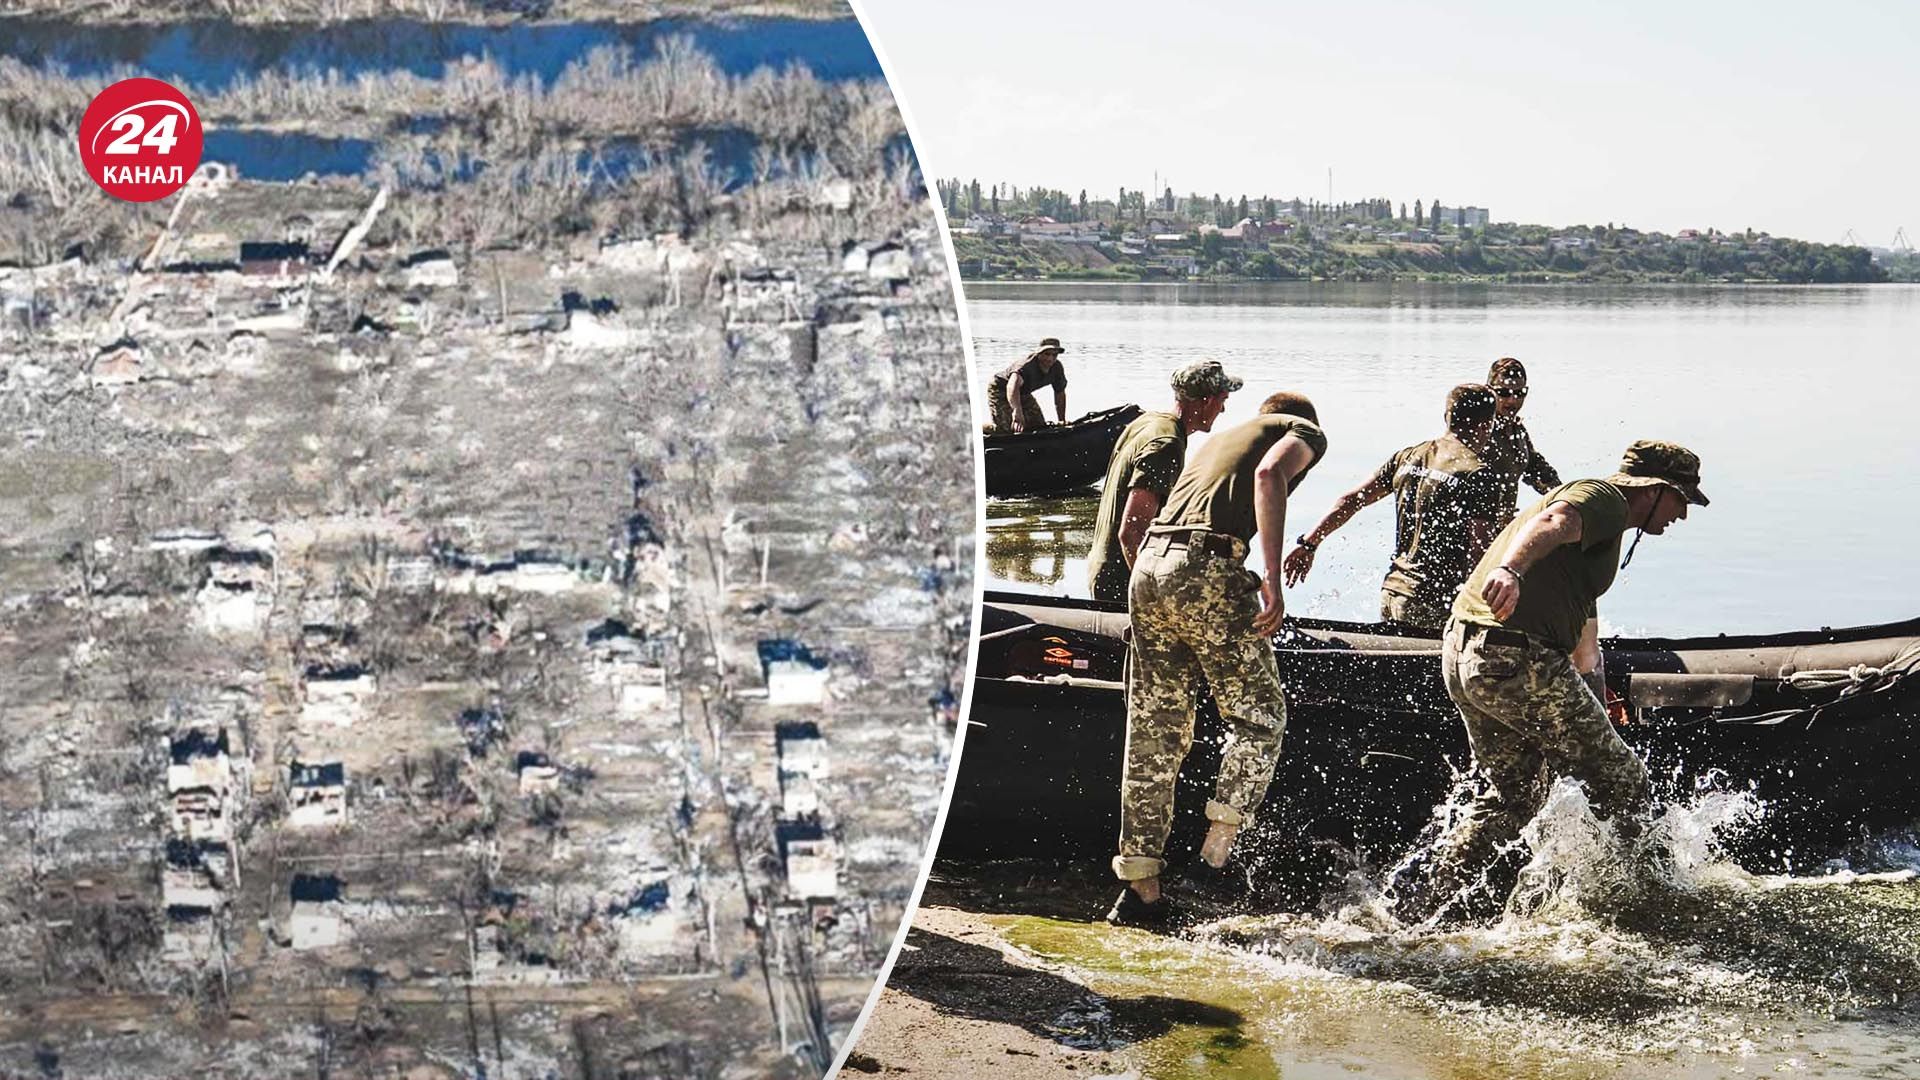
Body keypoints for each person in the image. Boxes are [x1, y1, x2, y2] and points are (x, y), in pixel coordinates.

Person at [1389, 440, 1710, 923]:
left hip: (1467, 656)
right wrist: (1509, 571)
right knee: (1625, 780)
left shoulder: (1593, 546)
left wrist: (1599, 711)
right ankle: (1654, 899)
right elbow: (1553, 521)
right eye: (1681, 500)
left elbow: (1585, 649)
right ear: (1653, 489)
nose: (1681, 515)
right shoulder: (1604, 499)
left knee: (1512, 798)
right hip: (1516, 659)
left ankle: (1423, 907)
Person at [1106, 392, 1328, 927]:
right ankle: (1213, 862)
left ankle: (1140, 887)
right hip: (1205, 566)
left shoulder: (1218, 441)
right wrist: (1271, 577)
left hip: (1149, 568)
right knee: (1261, 719)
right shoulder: (1302, 431)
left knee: (1155, 731)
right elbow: (1271, 474)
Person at [1282, 384, 1504, 629]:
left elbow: (1352, 500)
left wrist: (1310, 543)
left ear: (1447, 417)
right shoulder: (1478, 473)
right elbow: (1480, 551)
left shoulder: (1409, 457)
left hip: (1392, 592)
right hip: (1434, 602)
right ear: (1487, 424)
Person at [1086, 360, 1245, 604]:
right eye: (1223, 400)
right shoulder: (1166, 445)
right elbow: (1131, 533)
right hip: (1121, 579)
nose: (1223, 410)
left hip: (1104, 567)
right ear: (1207, 401)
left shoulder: (1149, 422)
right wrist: (1154, 596)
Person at [1481, 357, 1561, 526]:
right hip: (1479, 527)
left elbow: (1537, 471)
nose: (1512, 400)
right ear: (1489, 391)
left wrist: (1565, 497)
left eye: (1519, 393)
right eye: (1503, 393)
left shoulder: (1518, 431)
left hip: (1503, 527)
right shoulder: (1479, 431)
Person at [987, 337, 1069, 433]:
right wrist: (1017, 412)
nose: (1050, 359)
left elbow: (1060, 393)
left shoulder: (1057, 368)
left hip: (1023, 392)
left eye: (1054, 355)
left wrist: (1061, 421)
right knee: (1005, 429)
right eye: (1047, 354)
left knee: (1039, 426)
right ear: (1039, 354)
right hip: (1000, 389)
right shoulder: (1026, 366)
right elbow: (1012, 387)